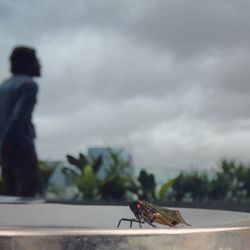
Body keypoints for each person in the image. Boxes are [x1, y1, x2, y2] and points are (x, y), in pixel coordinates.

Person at [0, 46, 41, 197]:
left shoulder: (4, 86)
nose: (39, 64)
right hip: (21, 149)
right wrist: (8, 143)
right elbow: (18, 119)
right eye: (36, 60)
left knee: (9, 198)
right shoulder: (29, 85)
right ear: (27, 63)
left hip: (4, 151)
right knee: (26, 201)